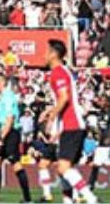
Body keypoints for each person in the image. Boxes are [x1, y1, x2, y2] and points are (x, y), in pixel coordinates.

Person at [41, 40, 96, 204]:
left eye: (46, 51)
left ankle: (91, 199)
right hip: (70, 125)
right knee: (62, 169)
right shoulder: (62, 72)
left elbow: (64, 98)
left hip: (72, 124)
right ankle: (69, 201)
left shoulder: (58, 72)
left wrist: (51, 117)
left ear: (53, 54)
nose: (43, 55)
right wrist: (51, 111)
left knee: (64, 167)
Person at [0, 73, 31, 203]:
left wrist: (1, 137)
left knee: (15, 164)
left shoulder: (9, 97)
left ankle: (27, 199)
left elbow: (10, 120)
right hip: (5, 132)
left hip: (11, 133)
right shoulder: (2, 97)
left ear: (2, 82)